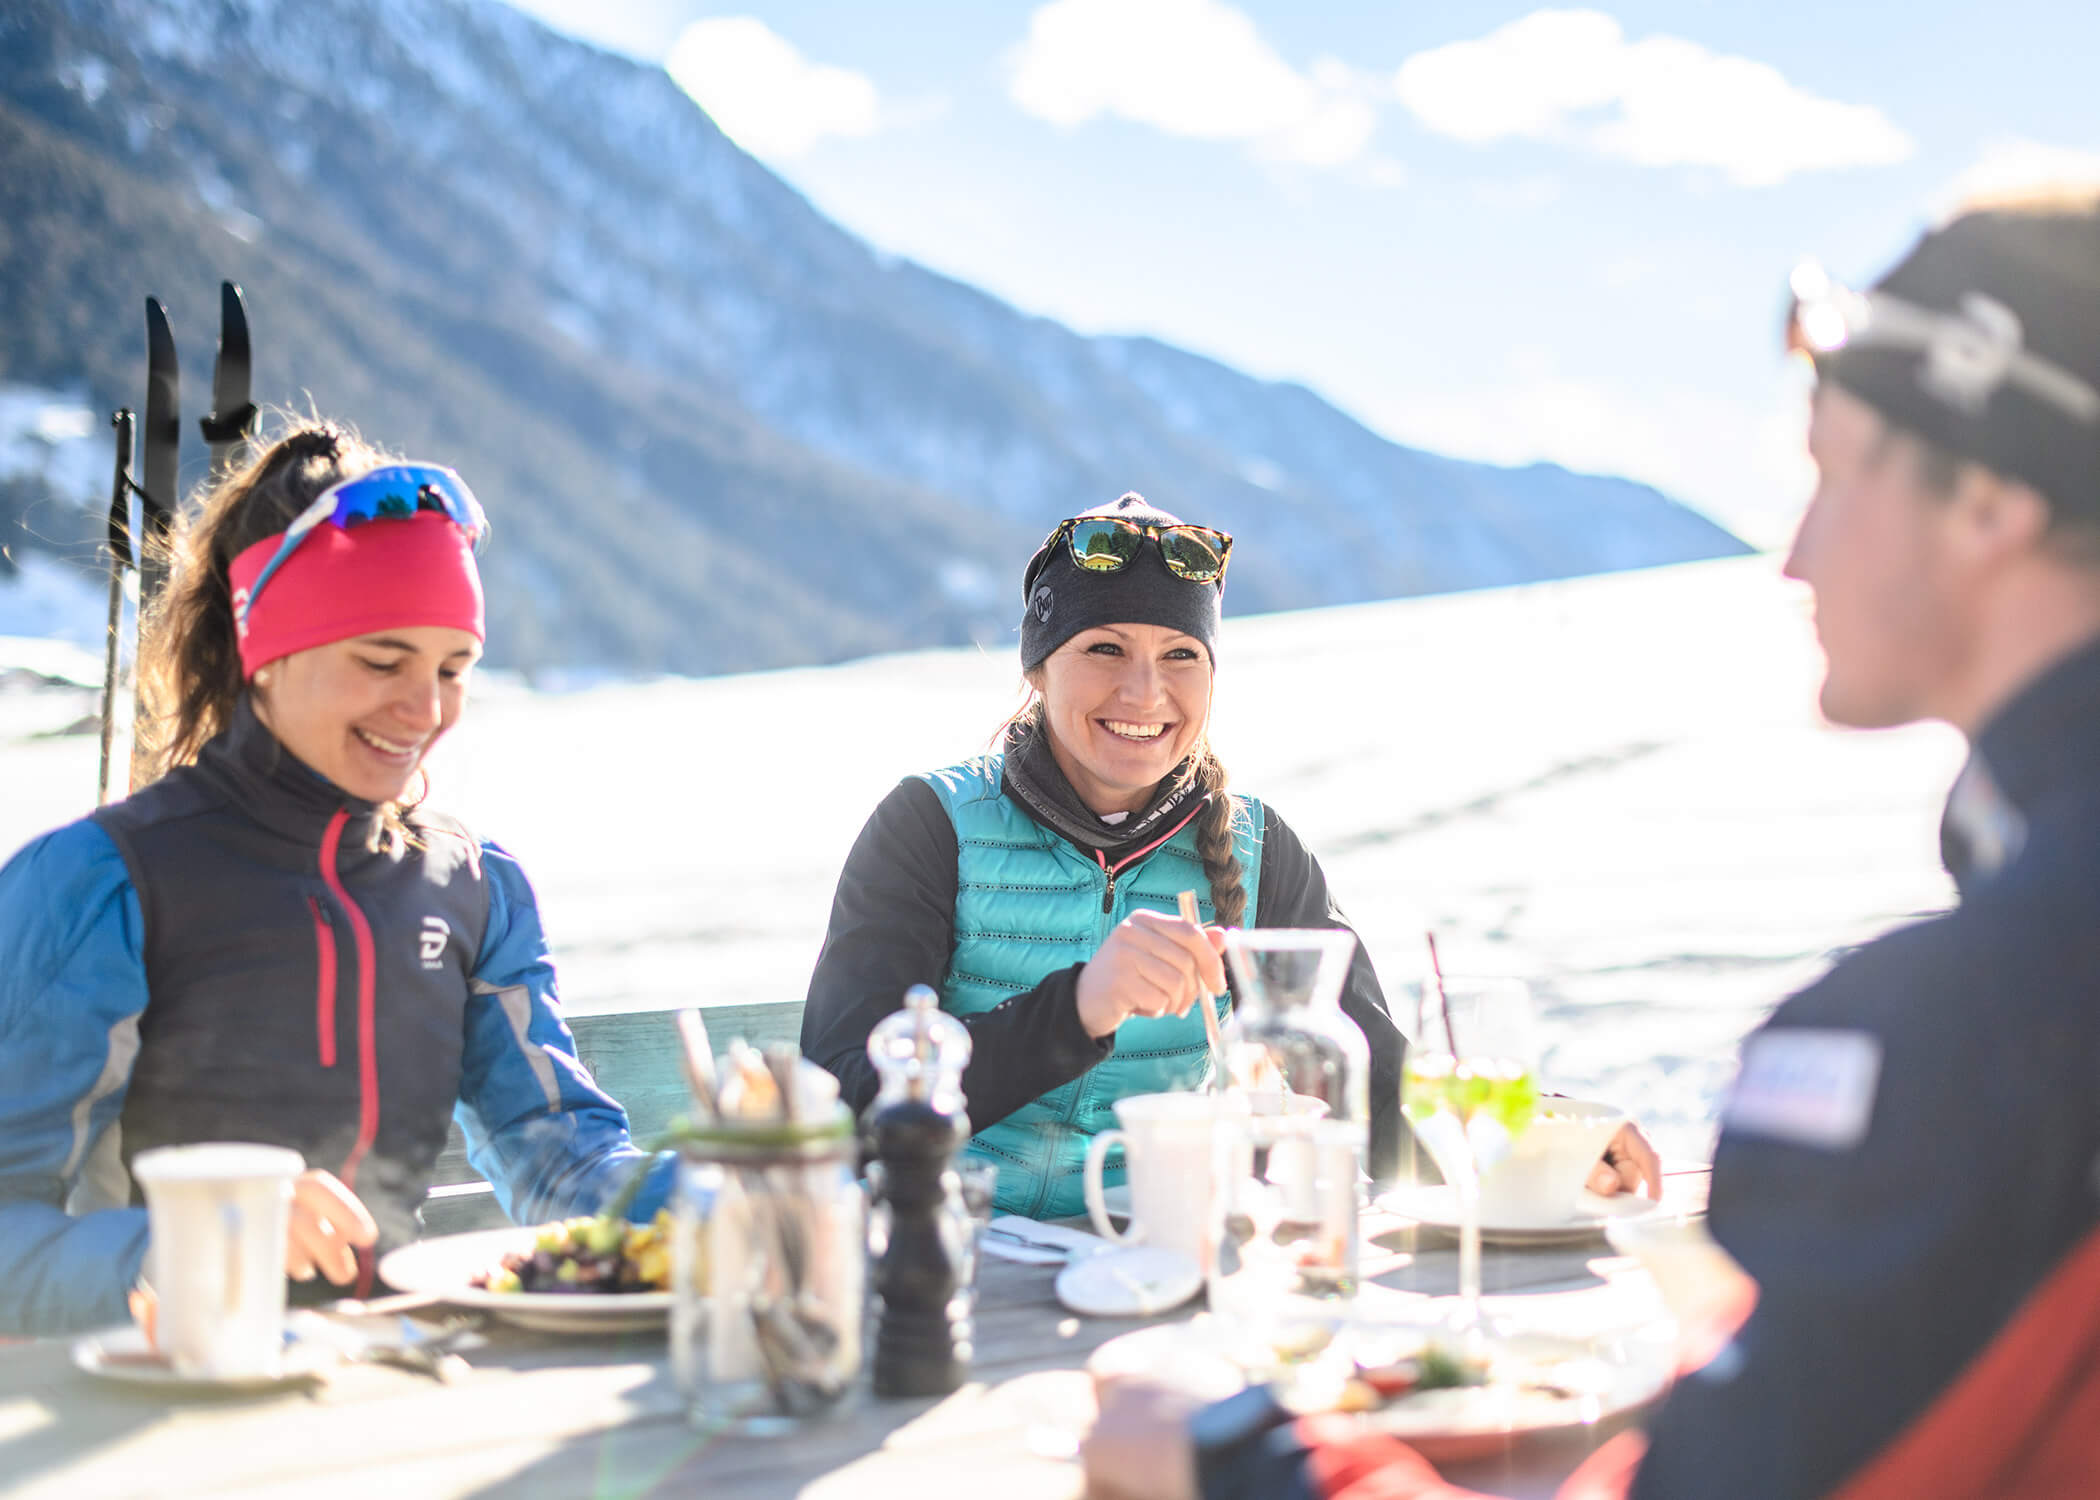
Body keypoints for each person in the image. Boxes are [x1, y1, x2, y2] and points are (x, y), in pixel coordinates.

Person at [1083, 189, 2100, 1500]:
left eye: (1836, 470)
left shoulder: (1982, 1036)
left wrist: (1240, 1458)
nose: (1794, 555)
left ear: (1991, 505)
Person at [802, 493, 1659, 1219]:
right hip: (942, 1267)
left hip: (1171, 1269)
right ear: (1037, 669)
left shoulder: (1255, 850)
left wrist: (1552, 1142)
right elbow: (840, 1101)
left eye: (1181, 655)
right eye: (1105, 649)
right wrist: (1079, 1009)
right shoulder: (934, 826)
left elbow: (1380, 1081)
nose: (1145, 693)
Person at [0, 421, 670, 1337]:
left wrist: (719, 1192)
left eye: (454, 667)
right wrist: (200, 1244)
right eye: (381, 660)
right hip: (153, 1405)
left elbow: (559, 1161)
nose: (426, 708)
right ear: (263, 652)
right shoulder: (104, 885)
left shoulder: (472, 886)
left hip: (390, 1388)